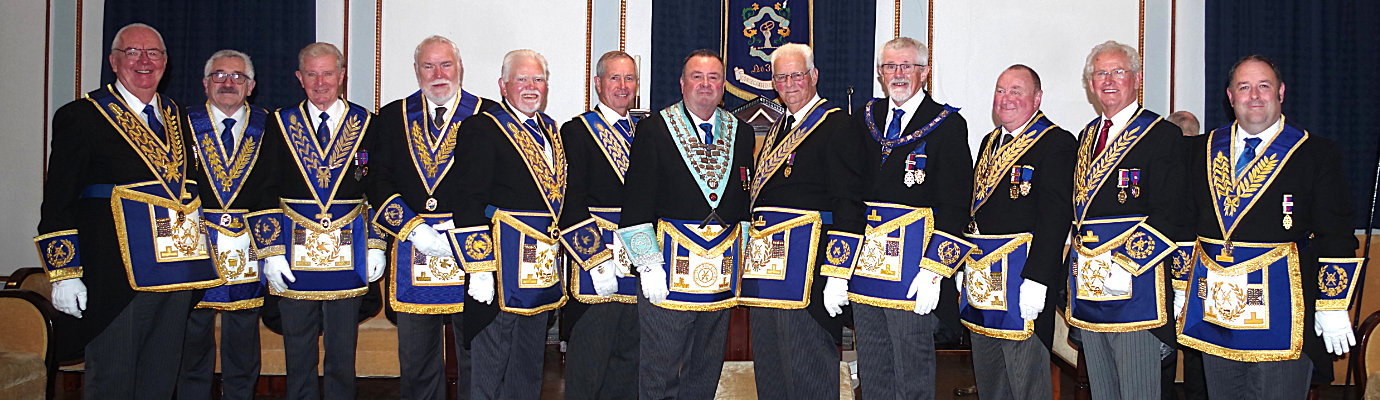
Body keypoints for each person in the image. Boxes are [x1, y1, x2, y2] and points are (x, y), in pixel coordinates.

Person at [35, 23, 222, 399]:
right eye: (132, 52)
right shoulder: (83, 115)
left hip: (176, 273)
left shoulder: (179, 116)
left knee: (160, 379)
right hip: (116, 276)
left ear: (165, 62)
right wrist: (64, 273)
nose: (144, 60)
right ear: (113, 61)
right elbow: (58, 199)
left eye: (153, 53)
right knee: (113, 380)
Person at [1178, 54, 1361, 399]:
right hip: (1216, 311)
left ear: (1281, 92)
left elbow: (1336, 233)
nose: (1254, 95)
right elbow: (1186, 224)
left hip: (1284, 314)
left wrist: (1333, 303)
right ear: (1230, 97)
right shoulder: (1200, 150)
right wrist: (1179, 288)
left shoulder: (1315, 153)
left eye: (1264, 86)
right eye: (1244, 87)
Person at [248, 41, 386, 400]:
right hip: (293, 256)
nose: (320, 82)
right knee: (298, 352)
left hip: (349, 254)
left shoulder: (367, 124)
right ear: (299, 77)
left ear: (342, 76)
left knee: (343, 351)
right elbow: (264, 189)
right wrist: (270, 252)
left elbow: (377, 190)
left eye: (327, 73)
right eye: (312, 74)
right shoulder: (280, 123)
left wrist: (376, 244)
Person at [616, 49, 754, 400]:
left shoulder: (741, 132)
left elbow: (743, 201)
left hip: (720, 272)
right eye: (697, 76)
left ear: (723, 86)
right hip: (667, 267)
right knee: (660, 369)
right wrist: (647, 265)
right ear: (682, 83)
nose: (705, 84)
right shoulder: (654, 128)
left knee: (706, 366)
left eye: (713, 77)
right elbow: (636, 201)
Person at [366, 35, 497, 400]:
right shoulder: (391, 117)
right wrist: (413, 229)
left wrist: (469, 222)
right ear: (416, 70)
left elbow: (500, 182)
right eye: (429, 66)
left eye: (446, 65)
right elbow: (378, 181)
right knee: (417, 358)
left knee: (476, 353)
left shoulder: (488, 116)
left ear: (460, 68)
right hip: (413, 248)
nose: (438, 74)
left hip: (472, 249)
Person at [842, 37, 973, 399]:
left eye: (906, 66)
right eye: (890, 66)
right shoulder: (864, 119)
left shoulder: (947, 124)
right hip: (865, 269)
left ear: (924, 72)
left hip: (914, 272)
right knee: (873, 367)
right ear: (880, 73)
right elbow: (848, 193)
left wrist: (935, 270)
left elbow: (956, 203)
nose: (897, 74)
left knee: (911, 369)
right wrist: (840, 268)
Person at [737, 43, 866, 400]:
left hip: (808, 272)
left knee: (809, 373)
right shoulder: (779, 126)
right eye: (781, 77)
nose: (789, 83)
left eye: (797, 75)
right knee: (771, 371)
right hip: (767, 270)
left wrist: (838, 272)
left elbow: (848, 203)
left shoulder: (836, 124)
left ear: (814, 76)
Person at [1066, 40, 1191, 400]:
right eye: (1100, 73)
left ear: (1135, 79)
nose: (1108, 80)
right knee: (1102, 391)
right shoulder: (1087, 136)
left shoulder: (1161, 134)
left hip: (1136, 288)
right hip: (1091, 286)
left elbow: (1171, 211)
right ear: (1091, 84)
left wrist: (1126, 264)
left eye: (1118, 72)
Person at [446, 49, 567, 400]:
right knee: (489, 371)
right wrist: (480, 267)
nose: (531, 86)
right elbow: (467, 200)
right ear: (503, 85)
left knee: (528, 368)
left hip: (538, 271)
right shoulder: (482, 127)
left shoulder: (551, 129)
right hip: (499, 270)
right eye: (522, 79)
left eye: (538, 79)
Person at [962, 64, 1077, 400]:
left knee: (1026, 383)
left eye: (1016, 91)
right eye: (1000, 90)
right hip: (983, 280)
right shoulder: (990, 142)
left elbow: (1055, 217)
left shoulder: (1055, 142)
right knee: (991, 381)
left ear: (1037, 98)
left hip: (1022, 282)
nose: (1006, 98)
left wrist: (1038, 279)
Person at [178, 49, 275, 400]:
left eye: (238, 77)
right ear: (205, 83)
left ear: (251, 86)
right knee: (192, 339)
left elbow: (275, 187)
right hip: (195, 243)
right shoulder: (181, 124)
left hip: (249, 246)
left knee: (243, 343)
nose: (228, 83)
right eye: (219, 75)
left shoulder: (270, 125)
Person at [557, 50, 643, 400]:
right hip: (595, 264)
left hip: (637, 258)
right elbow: (569, 200)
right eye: (614, 78)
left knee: (630, 360)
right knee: (590, 362)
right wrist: (595, 260)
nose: (623, 86)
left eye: (629, 78)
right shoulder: (576, 131)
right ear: (597, 83)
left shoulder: (645, 131)